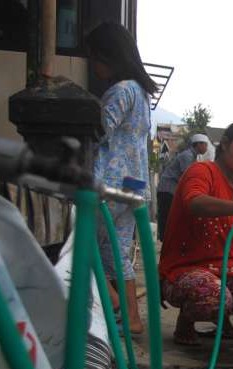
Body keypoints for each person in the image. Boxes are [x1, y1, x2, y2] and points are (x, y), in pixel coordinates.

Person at [158, 121, 233, 346]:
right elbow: (195, 203)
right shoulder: (201, 171)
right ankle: (185, 323)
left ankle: (224, 323)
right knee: (215, 298)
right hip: (184, 271)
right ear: (226, 144)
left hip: (226, 275)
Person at [87, 22, 158, 335]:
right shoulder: (141, 94)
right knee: (115, 252)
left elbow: (99, 132)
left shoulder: (119, 91)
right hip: (134, 185)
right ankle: (133, 318)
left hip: (109, 183)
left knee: (83, 246)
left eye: (95, 57)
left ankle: (114, 302)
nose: (92, 64)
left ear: (109, 56)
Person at [157, 134, 210, 241]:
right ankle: (165, 240)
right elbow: (187, 176)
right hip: (168, 188)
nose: (206, 148)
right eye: (205, 145)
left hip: (173, 189)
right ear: (198, 144)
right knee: (167, 215)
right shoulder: (187, 156)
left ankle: (168, 239)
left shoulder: (193, 157)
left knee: (171, 215)